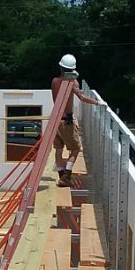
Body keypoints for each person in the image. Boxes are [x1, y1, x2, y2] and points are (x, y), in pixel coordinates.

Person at [50, 54, 98, 187]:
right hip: (66, 121)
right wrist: (97, 102)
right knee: (76, 148)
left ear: (60, 67)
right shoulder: (73, 83)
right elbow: (82, 97)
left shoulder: (54, 81)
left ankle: (61, 177)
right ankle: (66, 177)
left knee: (58, 149)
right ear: (72, 70)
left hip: (55, 120)